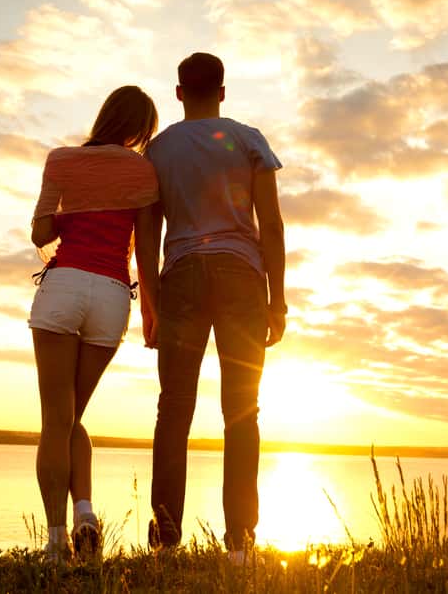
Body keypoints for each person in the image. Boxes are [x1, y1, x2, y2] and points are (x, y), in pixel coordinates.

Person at [137, 52, 286, 562]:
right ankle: (241, 546)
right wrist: (278, 300)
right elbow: (272, 223)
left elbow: (147, 230)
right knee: (241, 412)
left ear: (178, 92)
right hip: (242, 277)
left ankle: (165, 545)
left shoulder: (157, 150)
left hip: (180, 276)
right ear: (223, 92)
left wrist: (150, 302)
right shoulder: (248, 139)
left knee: (174, 408)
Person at [27, 85, 161, 563]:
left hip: (63, 290)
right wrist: (152, 313)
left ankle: (57, 544)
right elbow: (146, 249)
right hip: (109, 296)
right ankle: (85, 512)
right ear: (141, 130)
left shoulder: (61, 159)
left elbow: (41, 232)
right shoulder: (144, 170)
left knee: (55, 423)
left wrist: (70, 217)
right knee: (71, 419)